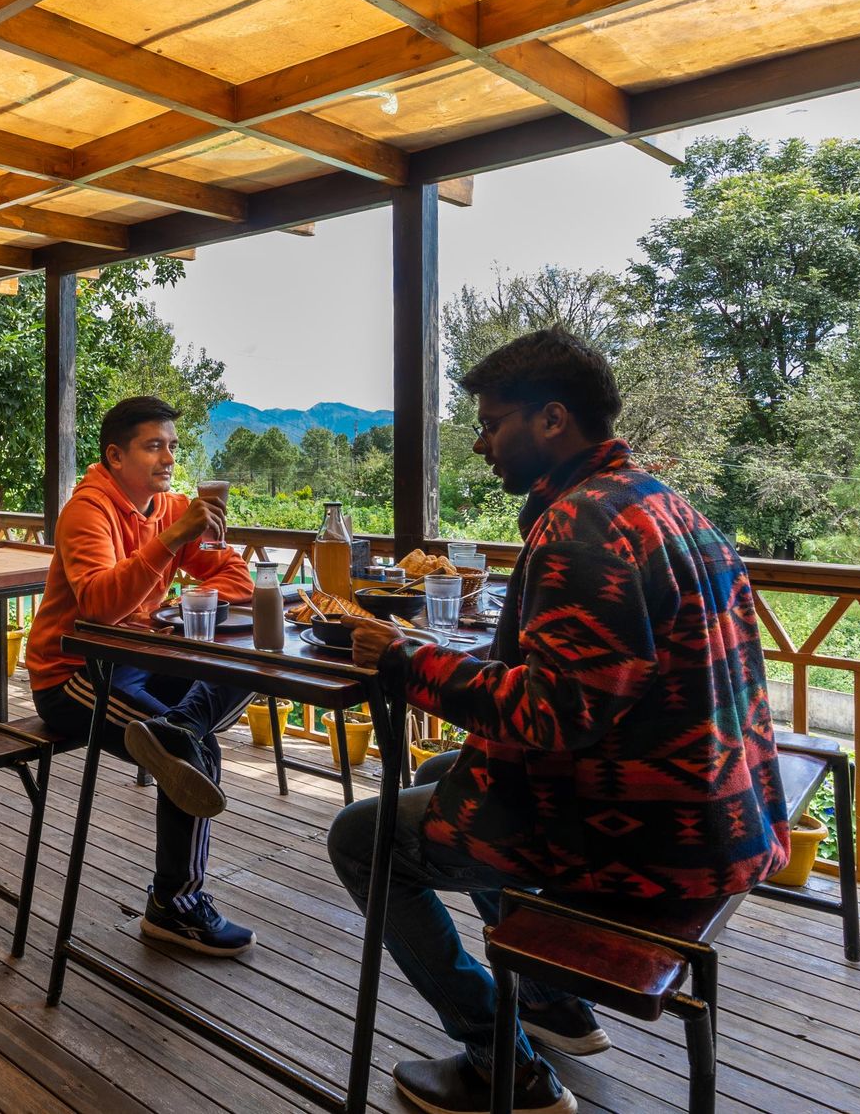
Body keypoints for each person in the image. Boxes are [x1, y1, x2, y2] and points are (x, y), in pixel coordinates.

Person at [329, 329, 791, 1114]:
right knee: (445, 773)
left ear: (551, 420)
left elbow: (553, 713)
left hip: (649, 838)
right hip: (716, 807)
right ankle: (546, 999)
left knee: (359, 838)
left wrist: (407, 662)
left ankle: (498, 1060)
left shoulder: (582, 526)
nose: (480, 442)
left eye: (491, 421)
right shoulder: (659, 501)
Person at [24, 396, 262, 955]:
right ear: (115, 456)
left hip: (144, 661)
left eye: (172, 447)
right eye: (154, 446)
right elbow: (100, 605)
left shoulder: (169, 506)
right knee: (193, 754)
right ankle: (173, 908)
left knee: (250, 666)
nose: (168, 459)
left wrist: (187, 601)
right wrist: (173, 540)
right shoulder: (88, 511)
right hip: (75, 675)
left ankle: (179, 727)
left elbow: (235, 575)